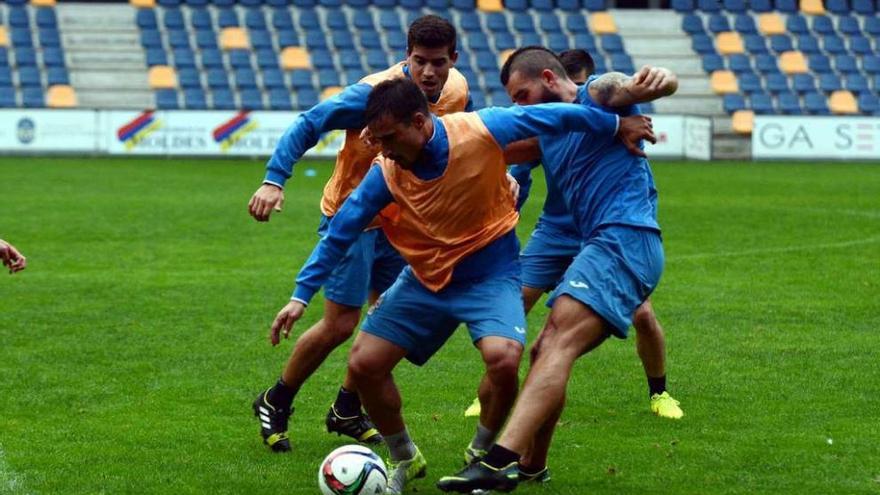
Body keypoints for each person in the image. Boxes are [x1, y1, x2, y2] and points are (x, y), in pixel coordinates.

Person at [271, 78, 655, 493]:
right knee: (364, 364)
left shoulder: (478, 129)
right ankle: (404, 457)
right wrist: (300, 295)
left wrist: (615, 126)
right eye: (376, 140)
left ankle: (482, 452)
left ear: (419, 122)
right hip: (423, 278)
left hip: (490, 274)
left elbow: (553, 115)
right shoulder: (386, 172)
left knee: (504, 357)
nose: (381, 149)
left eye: (388, 138)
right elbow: (343, 228)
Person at [437, 46, 675, 493]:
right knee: (545, 349)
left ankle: (497, 464)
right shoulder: (552, 131)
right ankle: (531, 466)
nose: (520, 107)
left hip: (625, 237)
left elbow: (618, 86)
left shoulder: (595, 96)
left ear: (549, 77)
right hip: (603, 242)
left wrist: (656, 80)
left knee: (558, 341)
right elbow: (492, 147)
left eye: (523, 95)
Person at [249, 15, 472, 452]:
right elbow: (309, 122)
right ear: (406, 56)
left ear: (454, 60)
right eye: (420, 61)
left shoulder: (459, 89)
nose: (429, 72)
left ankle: (347, 407)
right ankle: (275, 400)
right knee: (340, 325)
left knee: (388, 327)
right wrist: (274, 180)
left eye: (438, 63)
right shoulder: (373, 95)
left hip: (404, 222)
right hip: (353, 218)